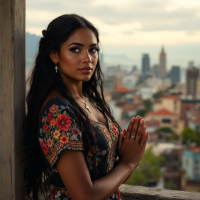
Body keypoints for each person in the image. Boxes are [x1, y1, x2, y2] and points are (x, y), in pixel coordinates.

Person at [22, 14, 148, 200]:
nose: (87, 58)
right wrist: (129, 163)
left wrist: (129, 160)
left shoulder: (89, 100)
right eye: (75, 50)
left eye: (93, 50)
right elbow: (84, 196)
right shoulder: (57, 112)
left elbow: (109, 175)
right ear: (54, 55)